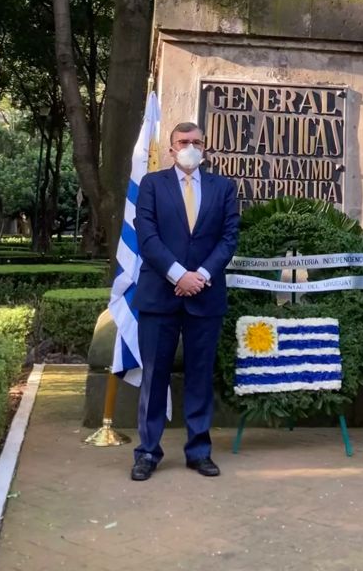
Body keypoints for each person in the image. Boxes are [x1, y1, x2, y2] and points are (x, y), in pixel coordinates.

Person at [130, 121, 240, 481]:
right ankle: (147, 451)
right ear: (171, 149)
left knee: (199, 377)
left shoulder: (223, 187)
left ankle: (199, 451)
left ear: (204, 146)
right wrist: (179, 275)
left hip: (205, 297)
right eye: (183, 141)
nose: (190, 146)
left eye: (196, 141)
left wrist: (201, 277)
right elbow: (147, 236)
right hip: (160, 295)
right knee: (154, 376)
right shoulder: (152, 185)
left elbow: (228, 239)